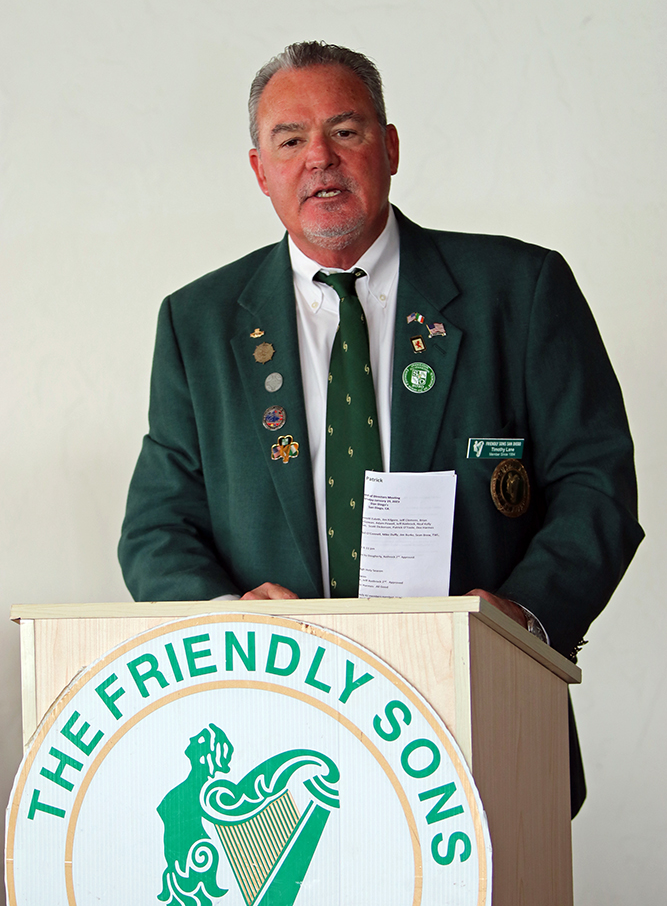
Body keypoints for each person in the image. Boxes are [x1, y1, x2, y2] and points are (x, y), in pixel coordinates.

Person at [119, 42, 644, 815]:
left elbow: (594, 484)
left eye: (346, 131)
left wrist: (522, 622)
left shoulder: (519, 289)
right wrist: (229, 625)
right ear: (260, 171)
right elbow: (155, 530)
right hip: (274, 727)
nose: (319, 159)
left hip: (478, 701)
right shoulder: (196, 322)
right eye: (289, 140)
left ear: (389, 147)